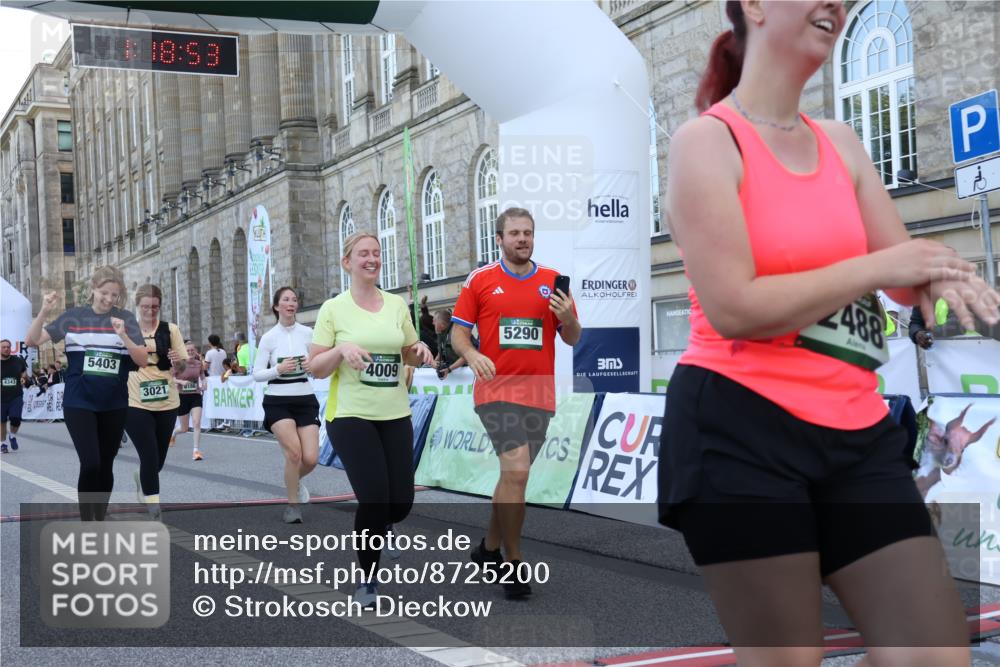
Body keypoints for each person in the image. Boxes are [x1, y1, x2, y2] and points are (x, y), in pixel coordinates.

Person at [657, 1, 1000, 663]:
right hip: (738, 429)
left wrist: (943, 278)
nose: (835, 3)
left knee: (933, 654)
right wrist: (886, 266)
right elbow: (735, 307)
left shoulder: (841, 142)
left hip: (856, 434)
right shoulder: (706, 141)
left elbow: (905, 277)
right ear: (753, 6)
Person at [451, 207, 581, 599]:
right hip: (496, 391)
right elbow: (458, 336)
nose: (522, 239)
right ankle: (514, 562)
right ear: (500, 239)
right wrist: (473, 356)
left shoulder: (551, 282)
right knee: (518, 471)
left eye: (527, 233)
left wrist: (568, 316)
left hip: (539, 395)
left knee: (512, 479)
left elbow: (572, 338)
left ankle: (487, 549)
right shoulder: (481, 280)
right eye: (514, 233)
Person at [309, 232, 435, 607]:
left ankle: (384, 525)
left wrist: (420, 350)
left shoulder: (397, 304)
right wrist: (341, 349)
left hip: (395, 412)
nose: (372, 259)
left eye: (377, 253)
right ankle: (367, 581)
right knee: (374, 500)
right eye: (363, 254)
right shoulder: (334, 309)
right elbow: (315, 367)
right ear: (347, 262)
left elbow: (408, 353)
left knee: (401, 504)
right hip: (350, 415)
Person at [25, 267, 148, 521]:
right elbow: (32, 340)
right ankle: (86, 519)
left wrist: (123, 335)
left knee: (105, 463)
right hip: (79, 401)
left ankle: (98, 518)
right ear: (92, 289)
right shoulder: (73, 317)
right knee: (91, 462)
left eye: (114, 295)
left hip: (114, 402)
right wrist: (45, 311)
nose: (109, 299)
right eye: (104, 292)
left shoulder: (125, 319)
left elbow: (143, 360)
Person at [253, 287, 320, 524]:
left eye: (294, 299)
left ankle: (295, 481)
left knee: (310, 458)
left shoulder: (308, 333)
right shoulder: (269, 337)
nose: (291, 303)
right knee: (294, 453)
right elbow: (257, 374)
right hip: (278, 400)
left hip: (305, 397)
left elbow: (319, 368)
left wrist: (312, 365)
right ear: (276, 306)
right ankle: (292, 506)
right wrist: (277, 370)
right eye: (286, 300)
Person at [124, 284, 188, 521]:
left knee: (158, 460)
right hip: (134, 402)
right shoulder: (128, 331)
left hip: (167, 402)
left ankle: (143, 479)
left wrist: (176, 362)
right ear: (137, 306)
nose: (150, 311)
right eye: (145, 306)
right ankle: (154, 510)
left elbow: (183, 367)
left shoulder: (170, 330)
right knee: (149, 456)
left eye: (154, 306)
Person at [173, 340, 206, 460]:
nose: (190, 352)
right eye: (188, 350)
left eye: (192, 350)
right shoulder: (179, 364)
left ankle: (196, 450)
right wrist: (181, 381)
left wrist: (204, 383)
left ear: (195, 351)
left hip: (196, 395)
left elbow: (202, 375)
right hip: (182, 396)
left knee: (197, 422)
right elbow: (170, 379)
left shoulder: (199, 363)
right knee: (184, 428)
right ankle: (174, 433)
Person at [1, 339, 28, 453]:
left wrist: (23, 377)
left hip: (16, 395)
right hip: (1, 397)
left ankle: (12, 436)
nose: (6, 349)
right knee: (2, 421)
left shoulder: (18, 360)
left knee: (16, 418)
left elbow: (24, 372)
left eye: (8, 347)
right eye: (4, 347)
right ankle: (3, 444)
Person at [433, 309, 466, 379]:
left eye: (434, 321)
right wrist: (434, 362)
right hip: (457, 370)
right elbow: (440, 352)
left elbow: (465, 357)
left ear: (441, 324)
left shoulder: (456, 333)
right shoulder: (442, 333)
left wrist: (449, 369)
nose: (433, 323)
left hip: (466, 372)